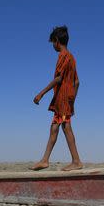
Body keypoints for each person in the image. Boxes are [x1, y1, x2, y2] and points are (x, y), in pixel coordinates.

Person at [31, 25, 83, 171]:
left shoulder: (63, 56)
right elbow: (77, 82)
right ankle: (45, 160)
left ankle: (76, 161)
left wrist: (41, 93)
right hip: (65, 99)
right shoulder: (72, 58)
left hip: (63, 98)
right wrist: (73, 99)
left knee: (66, 127)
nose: (53, 46)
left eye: (53, 42)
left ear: (56, 41)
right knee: (54, 127)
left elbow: (59, 79)